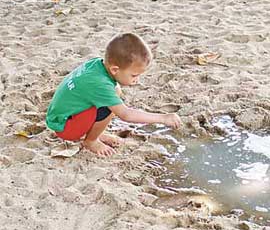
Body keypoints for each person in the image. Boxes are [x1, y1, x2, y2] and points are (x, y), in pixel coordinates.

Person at [46, 32, 182, 157]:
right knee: (109, 107)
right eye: (134, 75)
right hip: (65, 127)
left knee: (115, 92)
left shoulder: (97, 65)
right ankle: (91, 141)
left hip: (60, 116)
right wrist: (163, 118)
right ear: (115, 69)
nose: (137, 80)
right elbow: (126, 115)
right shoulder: (100, 85)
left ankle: (95, 132)